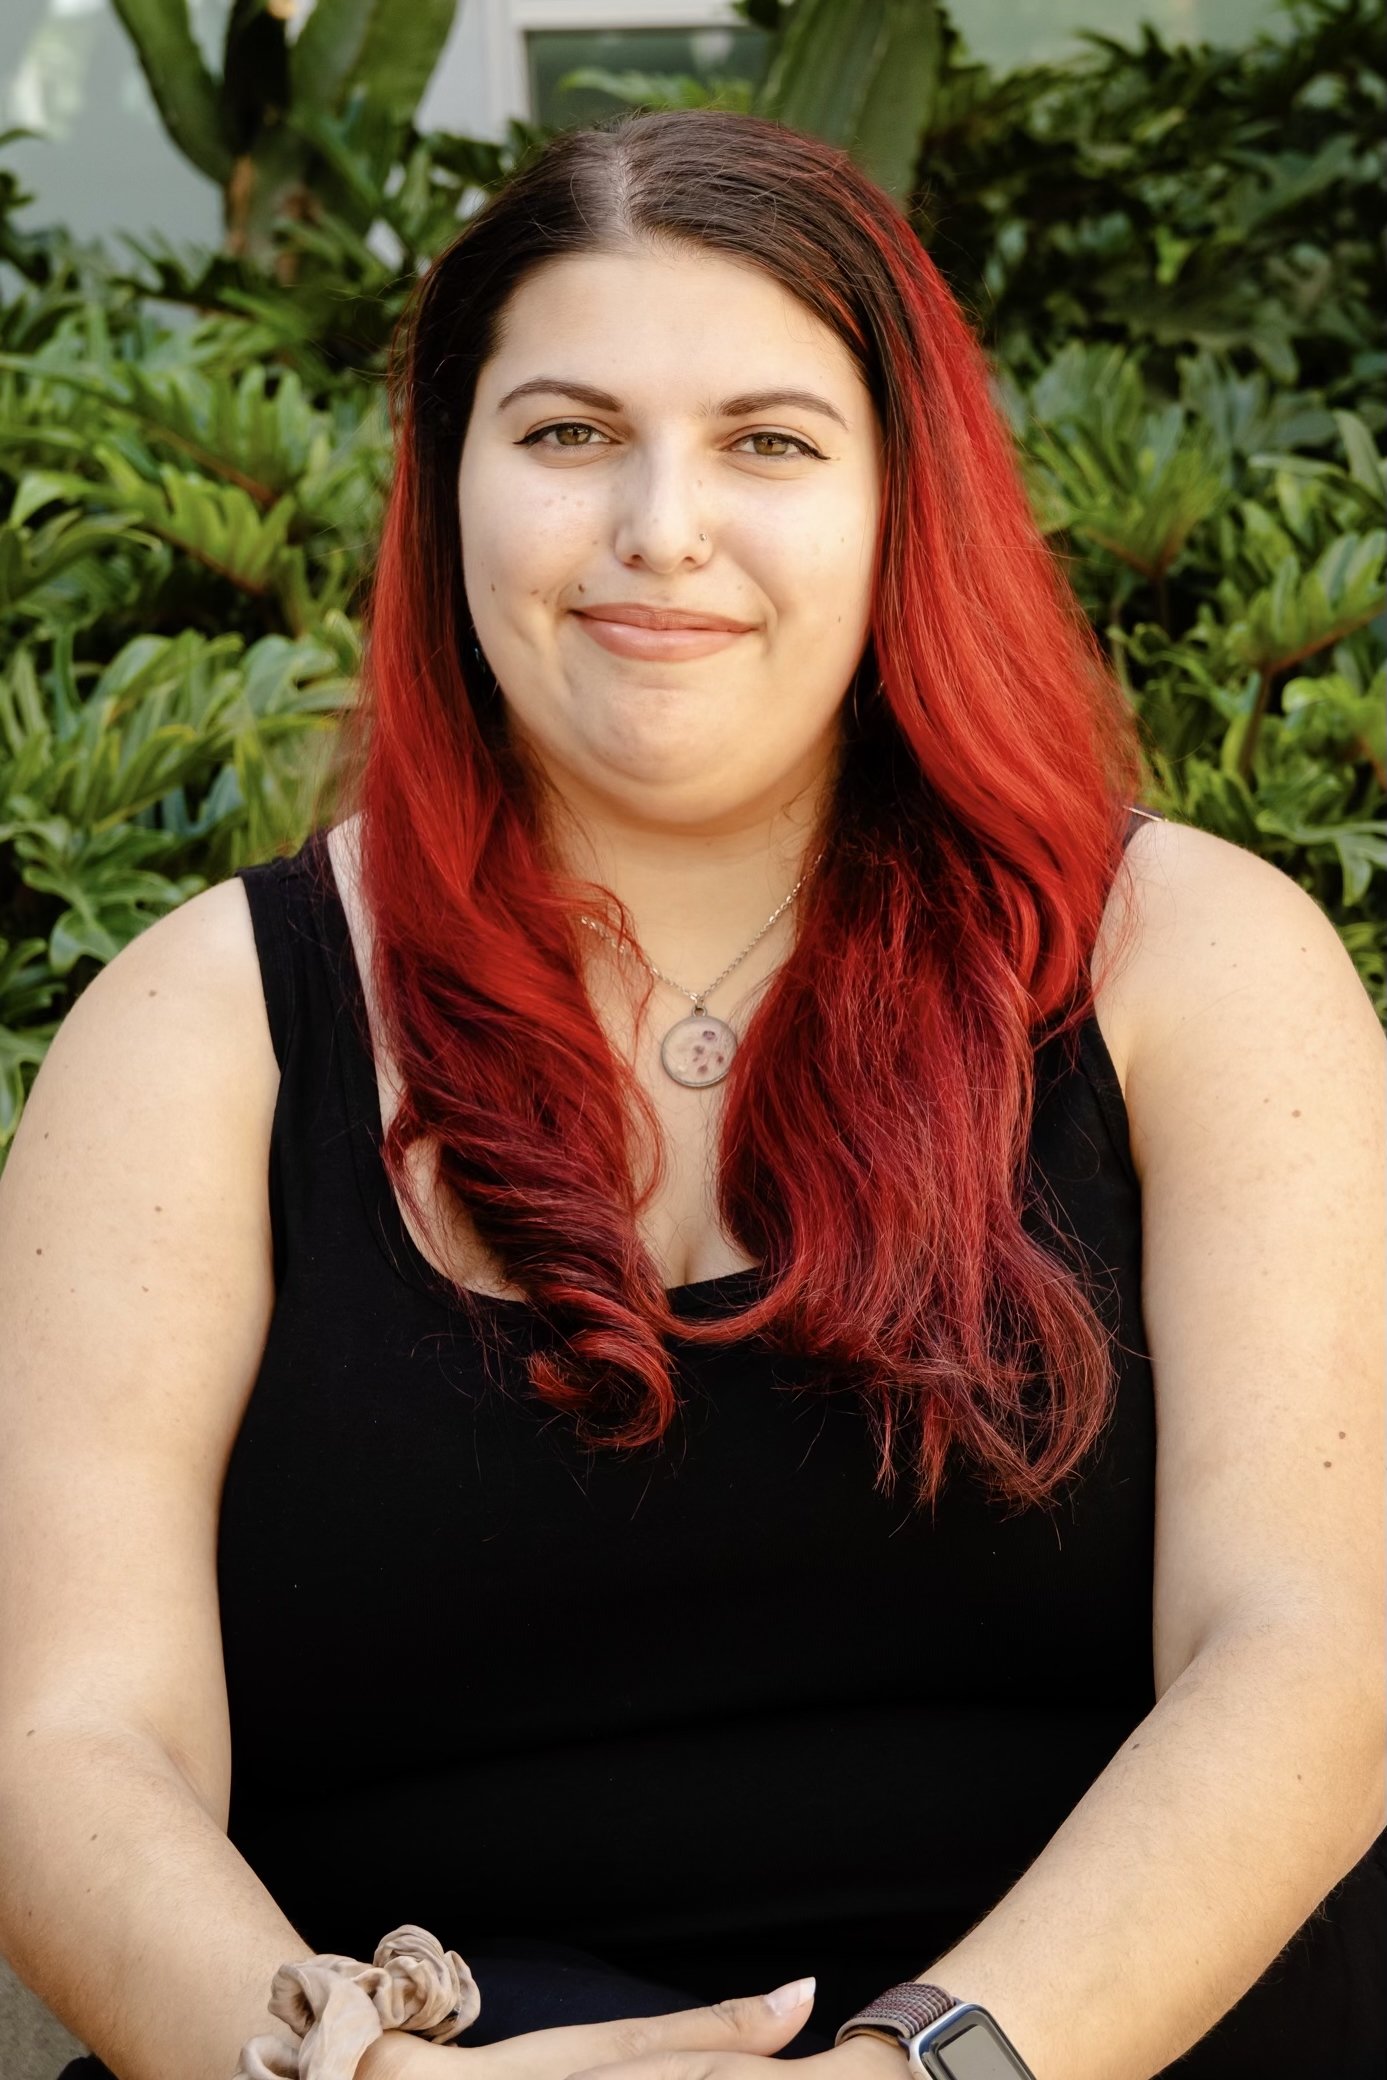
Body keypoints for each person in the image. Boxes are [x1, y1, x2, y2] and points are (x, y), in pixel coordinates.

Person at [0, 105, 1381, 2080]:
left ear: (908, 495)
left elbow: (1310, 1657)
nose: (661, 525)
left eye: (768, 440)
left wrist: (927, 2065)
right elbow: (64, 1738)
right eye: (565, 433)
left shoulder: (1199, 967)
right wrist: (352, 2074)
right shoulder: (202, 1031)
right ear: (446, 486)